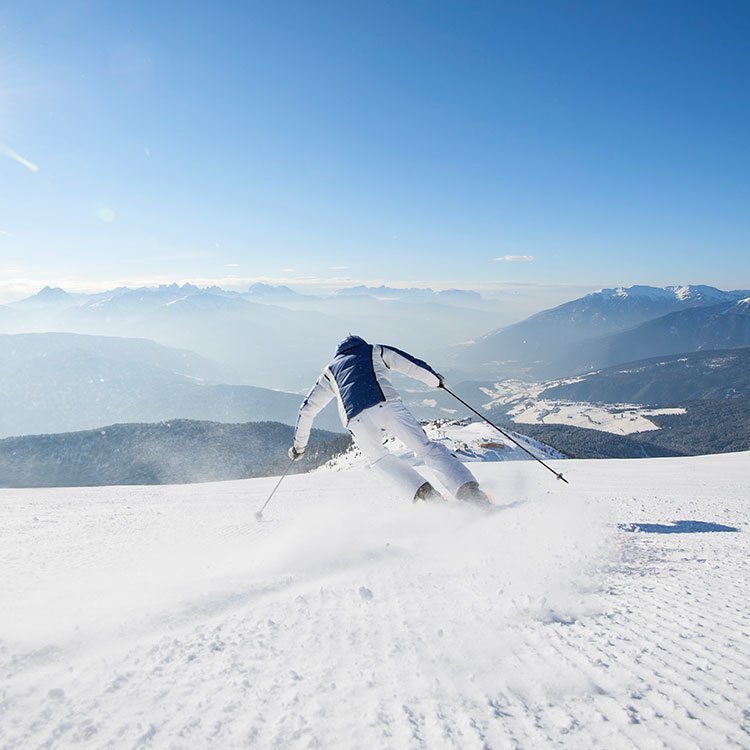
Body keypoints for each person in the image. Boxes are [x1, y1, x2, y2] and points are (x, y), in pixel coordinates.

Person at [289, 334, 490, 504]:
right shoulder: (374, 350)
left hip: (356, 420)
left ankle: (427, 497)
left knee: (379, 459)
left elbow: (307, 409)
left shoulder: (330, 371)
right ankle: (470, 493)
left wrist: (299, 447)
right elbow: (411, 365)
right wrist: (435, 381)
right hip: (386, 405)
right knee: (425, 448)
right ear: (360, 343)